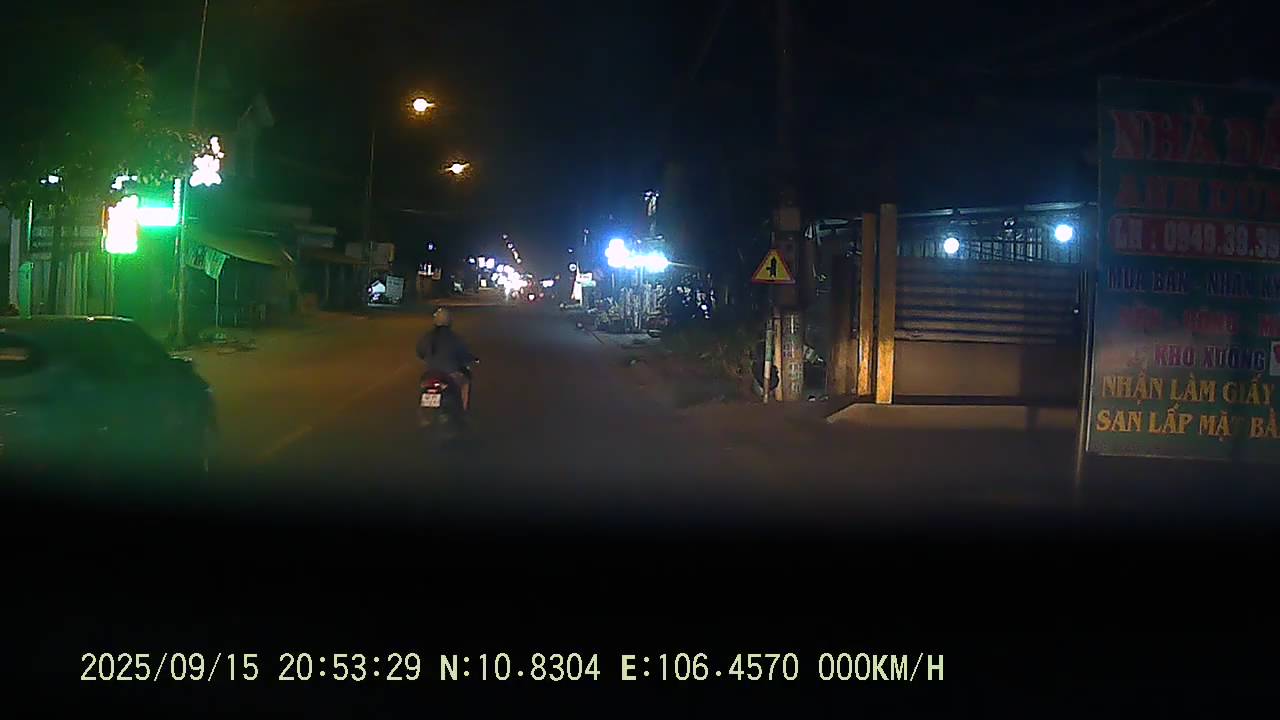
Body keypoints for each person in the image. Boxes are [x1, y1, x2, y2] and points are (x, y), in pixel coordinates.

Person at [416, 308, 476, 411]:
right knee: (465, 382)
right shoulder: (455, 337)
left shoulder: (427, 336)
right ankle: (463, 411)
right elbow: (464, 354)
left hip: (429, 374)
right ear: (449, 321)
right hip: (450, 374)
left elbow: (420, 352)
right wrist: (471, 359)